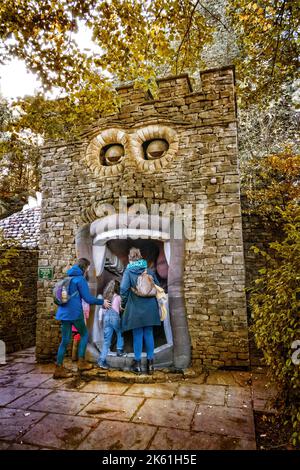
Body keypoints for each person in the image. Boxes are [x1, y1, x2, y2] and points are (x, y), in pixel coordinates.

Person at [53, 258, 111, 379]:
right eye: (88, 267)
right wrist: (102, 302)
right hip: (75, 313)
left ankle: (58, 368)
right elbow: (88, 299)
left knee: (65, 340)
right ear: (85, 267)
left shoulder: (67, 278)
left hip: (63, 313)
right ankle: (81, 362)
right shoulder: (80, 280)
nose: (89, 269)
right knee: (84, 334)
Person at [120, 247, 161, 375]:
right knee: (149, 334)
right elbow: (158, 286)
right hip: (150, 308)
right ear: (141, 256)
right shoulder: (148, 270)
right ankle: (150, 365)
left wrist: (123, 303)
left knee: (137, 335)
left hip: (135, 307)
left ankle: (137, 365)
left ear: (130, 258)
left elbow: (123, 288)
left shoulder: (128, 271)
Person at [97, 279, 124, 369]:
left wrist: (100, 321)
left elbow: (103, 310)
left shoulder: (106, 298)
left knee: (106, 341)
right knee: (120, 332)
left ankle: (101, 360)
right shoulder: (118, 297)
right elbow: (119, 309)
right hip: (115, 318)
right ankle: (119, 350)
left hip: (106, 319)